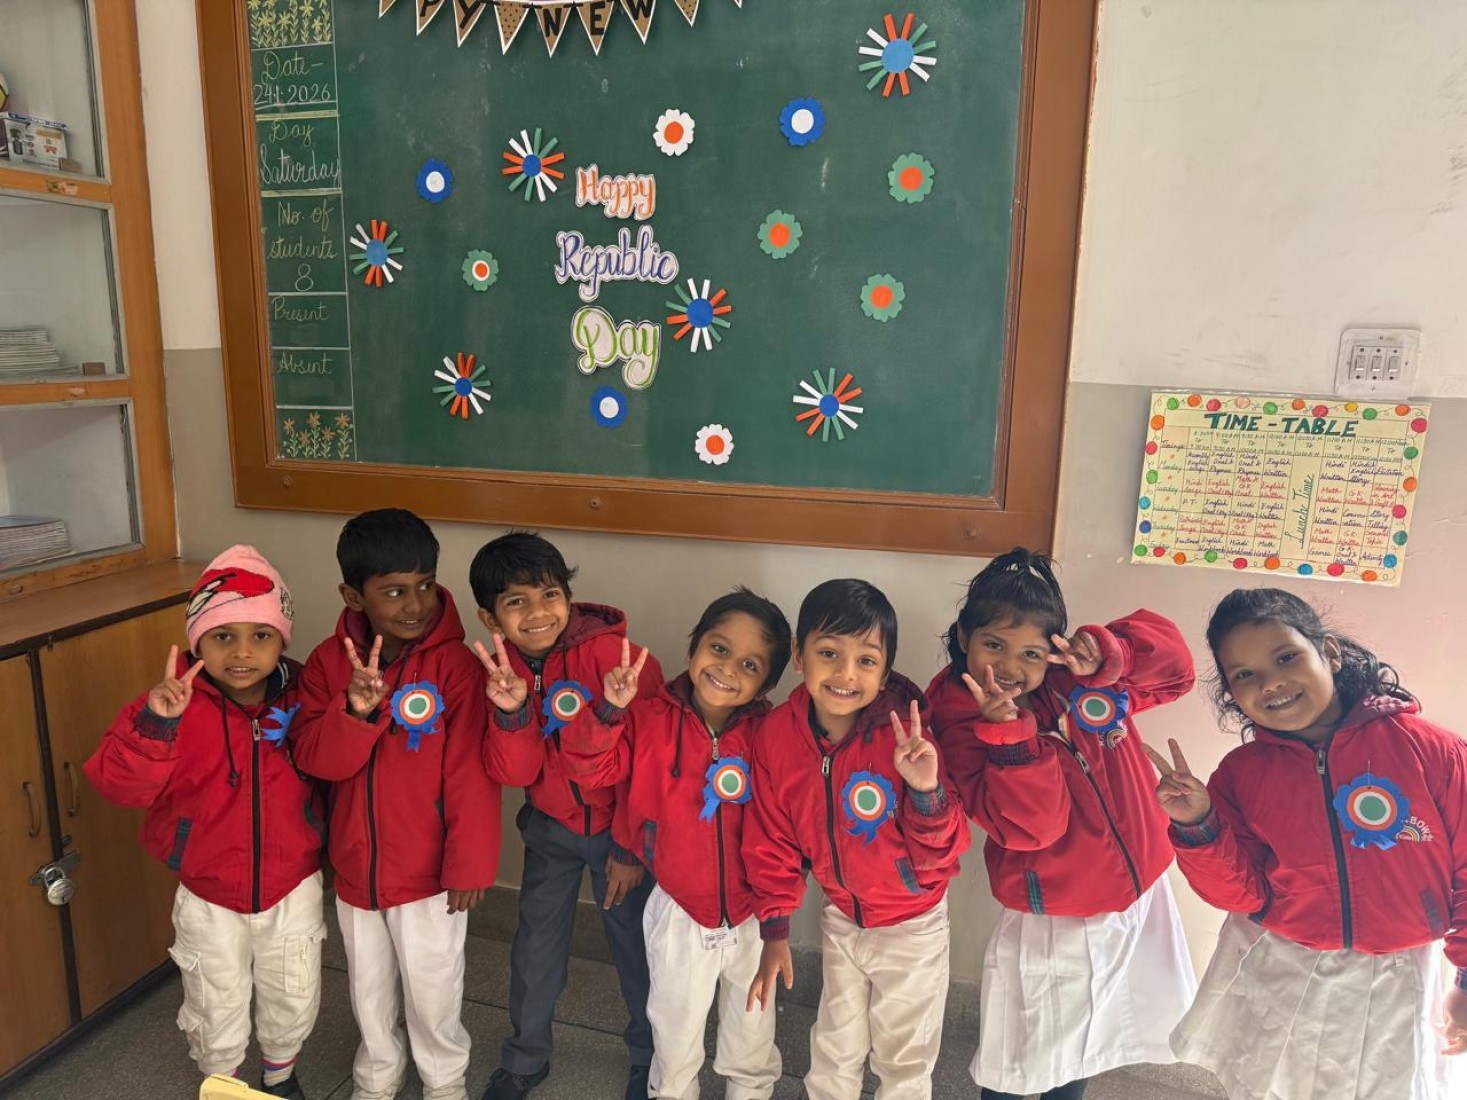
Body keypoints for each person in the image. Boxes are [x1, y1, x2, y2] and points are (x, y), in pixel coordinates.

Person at [1147, 586, 1467, 1099]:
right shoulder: (1240, 775)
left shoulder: (1432, 752)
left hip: (1396, 977)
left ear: (1330, 653)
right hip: (1284, 969)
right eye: (1244, 674)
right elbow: (1240, 895)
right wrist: (1198, 826)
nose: (1270, 682)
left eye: (1286, 657)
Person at [928, 548, 1197, 1100]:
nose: (1009, 667)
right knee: (1023, 1057)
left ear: (1053, 648)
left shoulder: (1076, 680)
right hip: (1054, 911)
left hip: (1137, 893)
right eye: (993, 645)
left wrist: (1110, 652)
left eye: (1030, 652)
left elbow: (1177, 672)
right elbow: (1033, 829)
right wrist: (1010, 735)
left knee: (1087, 1044)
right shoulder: (958, 719)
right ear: (964, 636)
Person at [85, 546, 323, 1099]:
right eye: (222, 636)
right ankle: (225, 1083)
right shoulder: (167, 708)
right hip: (208, 889)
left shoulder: (306, 695)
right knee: (215, 999)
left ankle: (280, 1078)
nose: (241, 652)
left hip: (291, 883)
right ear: (196, 642)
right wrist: (157, 726)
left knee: (293, 990)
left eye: (260, 635)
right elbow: (118, 786)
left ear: (282, 640)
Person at [292, 509, 500, 1100]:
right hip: (357, 869)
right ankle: (378, 1072)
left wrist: (469, 865)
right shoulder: (328, 664)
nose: (415, 604)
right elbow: (316, 759)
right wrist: (355, 713)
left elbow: (471, 776)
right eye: (393, 592)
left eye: (425, 585)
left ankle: (444, 1078)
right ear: (353, 596)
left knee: (434, 988)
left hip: (430, 874)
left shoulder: (457, 667)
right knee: (368, 987)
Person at [555, 588, 793, 1100]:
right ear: (693, 647)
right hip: (679, 911)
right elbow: (596, 774)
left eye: (750, 664)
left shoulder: (771, 735)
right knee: (674, 1032)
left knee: (752, 1032)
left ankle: (751, 1091)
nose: (727, 668)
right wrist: (608, 711)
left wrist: (776, 919)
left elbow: (782, 828)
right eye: (719, 648)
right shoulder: (647, 718)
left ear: (766, 685)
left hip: (751, 914)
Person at [743, 578, 969, 1100]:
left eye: (866, 661)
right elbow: (771, 838)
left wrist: (927, 791)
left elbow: (943, 854)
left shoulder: (908, 737)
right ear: (798, 655)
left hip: (912, 923)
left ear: (884, 672)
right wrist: (775, 926)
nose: (846, 673)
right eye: (829, 653)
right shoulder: (778, 735)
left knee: (904, 1058)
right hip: (842, 915)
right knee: (834, 1046)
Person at [469, 531, 662, 1100]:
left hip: (618, 836)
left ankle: (650, 1059)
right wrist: (512, 712)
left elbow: (652, 766)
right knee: (535, 949)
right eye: (516, 602)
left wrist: (629, 846)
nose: (537, 613)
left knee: (637, 951)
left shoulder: (617, 659)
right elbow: (516, 772)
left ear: (569, 598)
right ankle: (525, 1059)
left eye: (549, 594)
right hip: (549, 831)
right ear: (490, 617)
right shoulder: (497, 669)